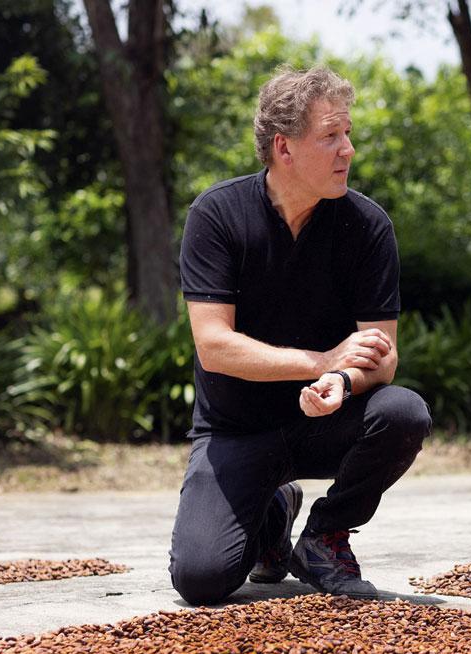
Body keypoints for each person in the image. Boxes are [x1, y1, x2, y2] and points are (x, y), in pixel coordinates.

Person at [168, 65, 432, 606]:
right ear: (284, 149)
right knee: (201, 580)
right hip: (235, 430)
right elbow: (214, 346)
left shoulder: (367, 226)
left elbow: (381, 360)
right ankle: (274, 512)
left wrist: (341, 379)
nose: (348, 149)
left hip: (324, 422)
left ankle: (325, 536)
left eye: (348, 133)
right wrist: (322, 361)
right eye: (331, 136)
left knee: (403, 412)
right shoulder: (217, 216)